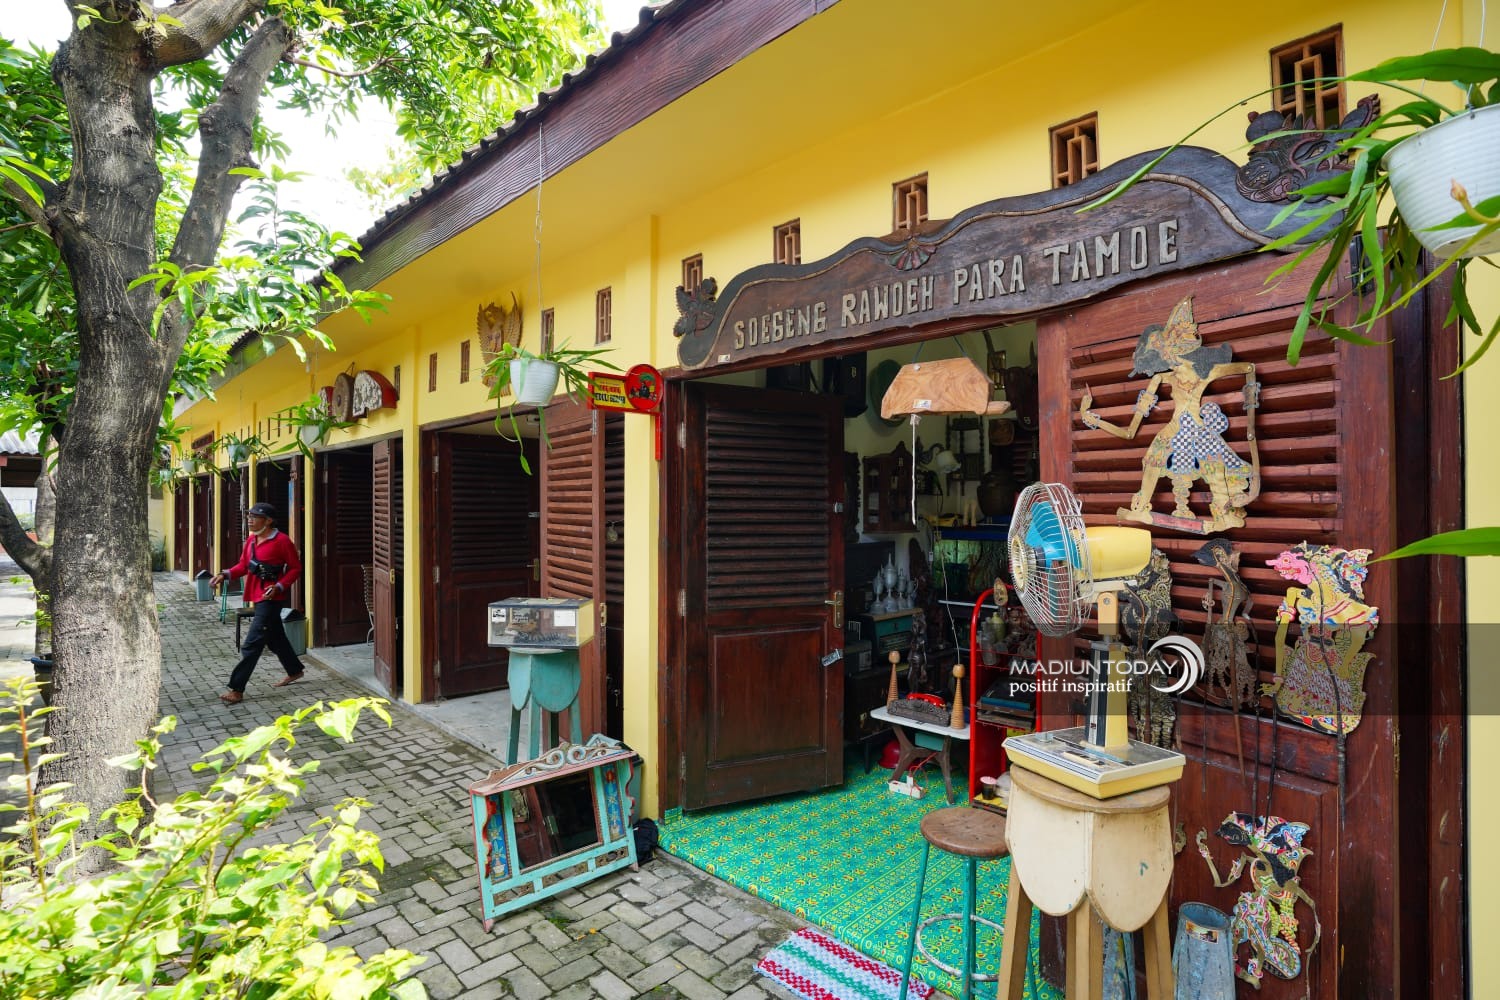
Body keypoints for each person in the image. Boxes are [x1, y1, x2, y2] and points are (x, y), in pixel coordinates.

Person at [211, 502, 305, 703]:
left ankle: (237, 689)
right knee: (275, 638)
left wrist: (279, 586)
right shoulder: (251, 540)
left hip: (271, 599)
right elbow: (243, 566)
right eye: (249, 516)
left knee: (252, 644)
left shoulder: (282, 541)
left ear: (268, 520)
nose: (250, 520)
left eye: (254, 517)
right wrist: (224, 574)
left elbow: (295, 568)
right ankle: (295, 670)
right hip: (256, 595)